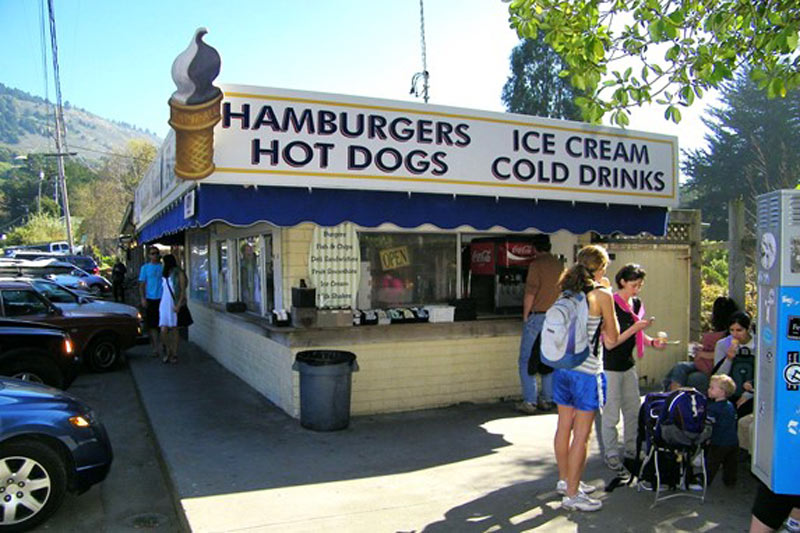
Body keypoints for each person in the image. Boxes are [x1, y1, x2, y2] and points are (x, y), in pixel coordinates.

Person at [553, 245, 620, 512]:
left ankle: (565, 480)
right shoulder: (602, 295)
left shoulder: (566, 292)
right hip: (587, 372)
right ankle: (572, 494)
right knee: (582, 435)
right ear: (601, 267)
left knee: (563, 427)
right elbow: (612, 340)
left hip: (563, 369)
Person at [601, 263, 665, 471]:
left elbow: (638, 332)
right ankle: (611, 453)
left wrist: (651, 341)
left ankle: (631, 450)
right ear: (622, 282)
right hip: (609, 365)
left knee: (632, 410)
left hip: (628, 365)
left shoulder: (636, 304)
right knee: (611, 413)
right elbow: (610, 340)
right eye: (633, 285)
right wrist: (636, 328)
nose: (636, 290)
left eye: (639, 285)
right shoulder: (609, 303)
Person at [516, 235, 564, 414]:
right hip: (556, 318)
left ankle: (530, 401)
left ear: (534, 248)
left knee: (526, 360)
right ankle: (547, 399)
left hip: (538, 316)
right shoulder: (559, 265)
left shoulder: (536, 265)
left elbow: (530, 292)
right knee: (548, 359)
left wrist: (525, 315)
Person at [662, 296, 739, 392]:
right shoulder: (716, 332)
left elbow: (721, 353)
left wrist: (703, 354)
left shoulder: (727, 336)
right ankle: (674, 394)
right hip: (700, 364)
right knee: (679, 367)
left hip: (710, 368)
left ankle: (676, 395)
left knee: (693, 378)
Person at [713, 310, 755, 417]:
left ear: (748, 329)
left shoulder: (759, 345)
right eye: (732, 330)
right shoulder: (723, 344)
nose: (735, 334)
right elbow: (718, 376)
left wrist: (747, 394)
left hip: (751, 390)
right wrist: (729, 359)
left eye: (739, 330)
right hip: (730, 390)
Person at [704, 374, 739, 487]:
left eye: (712, 388)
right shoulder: (730, 406)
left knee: (712, 463)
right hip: (733, 440)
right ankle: (730, 482)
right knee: (730, 464)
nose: (709, 390)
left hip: (719, 441)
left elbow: (708, 423)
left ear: (722, 391)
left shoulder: (713, 408)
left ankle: (705, 481)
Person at [158, 254, 187, 364]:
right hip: (164, 304)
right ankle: (168, 349)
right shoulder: (165, 274)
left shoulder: (179, 273)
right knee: (163, 330)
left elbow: (183, 291)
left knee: (175, 329)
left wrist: (179, 304)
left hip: (174, 303)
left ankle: (174, 353)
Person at [138, 246, 163, 358]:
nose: (155, 255)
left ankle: (164, 345)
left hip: (162, 299)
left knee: (163, 324)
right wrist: (143, 298)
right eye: (152, 253)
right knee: (152, 325)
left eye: (156, 253)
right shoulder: (145, 268)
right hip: (150, 298)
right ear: (149, 255)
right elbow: (142, 284)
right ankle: (155, 347)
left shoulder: (163, 267)